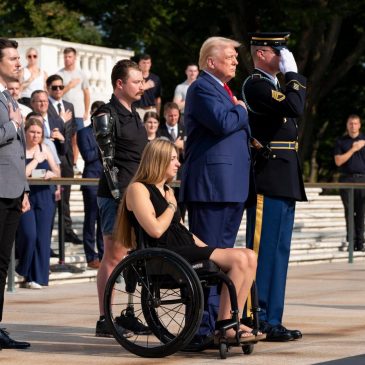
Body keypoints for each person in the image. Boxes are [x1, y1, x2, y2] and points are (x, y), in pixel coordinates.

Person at [115, 138, 262, 343]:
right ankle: (224, 325)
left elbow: (182, 229)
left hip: (184, 248)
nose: (178, 163)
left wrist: (210, 248)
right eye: (173, 159)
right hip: (165, 254)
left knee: (249, 256)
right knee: (239, 259)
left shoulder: (167, 191)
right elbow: (156, 230)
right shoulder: (138, 189)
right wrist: (172, 207)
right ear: (159, 160)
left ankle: (231, 321)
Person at [179, 36, 250, 349]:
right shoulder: (202, 87)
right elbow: (223, 122)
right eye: (230, 56)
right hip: (211, 187)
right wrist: (242, 110)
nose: (235, 61)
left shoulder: (223, 89)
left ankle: (222, 322)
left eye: (236, 56)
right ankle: (200, 327)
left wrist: (237, 107)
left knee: (224, 260)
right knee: (206, 261)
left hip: (229, 185)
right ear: (210, 61)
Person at [242, 32, 307, 342]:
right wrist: (294, 75)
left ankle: (273, 319)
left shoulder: (275, 86)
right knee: (263, 251)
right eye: (278, 50)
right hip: (268, 175)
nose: (283, 56)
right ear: (261, 54)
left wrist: (288, 78)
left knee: (279, 252)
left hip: (284, 175)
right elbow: (295, 107)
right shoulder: (256, 85)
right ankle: (256, 316)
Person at [93, 59, 148, 338]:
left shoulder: (134, 113)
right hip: (116, 195)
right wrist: (119, 196)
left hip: (138, 194)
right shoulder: (106, 112)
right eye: (136, 81)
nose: (142, 86)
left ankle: (128, 313)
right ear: (120, 84)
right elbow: (107, 160)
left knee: (136, 257)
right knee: (114, 257)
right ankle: (105, 318)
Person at [0, 37, 30, 350]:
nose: (18, 63)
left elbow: (18, 152)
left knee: (1, 265)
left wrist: (24, 189)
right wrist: (12, 125)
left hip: (11, 191)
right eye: (12, 58)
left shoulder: (8, 98)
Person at [16, 118, 59, 289]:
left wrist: (51, 174)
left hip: (44, 196)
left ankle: (38, 278)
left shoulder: (45, 148)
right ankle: (23, 268)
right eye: (32, 132)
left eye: (39, 133)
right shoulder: (18, 148)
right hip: (24, 196)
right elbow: (20, 173)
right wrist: (35, 160)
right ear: (25, 132)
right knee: (29, 234)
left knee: (42, 238)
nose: (35, 136)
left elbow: (57, 170)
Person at [46, 74, 81, 245]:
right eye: (54, 87)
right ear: (48, 88)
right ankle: (49, 237)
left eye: (61, 87)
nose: (58, 90)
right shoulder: (45, 106)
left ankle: (67, 230)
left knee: (65, 198)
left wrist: (74, 156)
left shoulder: (69, 106)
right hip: (51, 158)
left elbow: (72, 133)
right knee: (53, 198)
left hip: (66, 159)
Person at [77, 101, 104, 269]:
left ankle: (103, 254)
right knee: (90, 219)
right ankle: (90, 256)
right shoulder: (83, 132)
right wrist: (103, 145)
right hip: (91, 180)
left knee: (104, 222)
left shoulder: (110, 132)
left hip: (107, 180)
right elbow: (87, 155)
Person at [334, 114, 365, 252]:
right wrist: (353, 149)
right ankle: (351, 243)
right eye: (350, 123)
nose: (353, 126)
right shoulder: (341, 141)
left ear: (359, 125)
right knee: (349, 211)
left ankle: (360, 243)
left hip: (362, 180)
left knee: (361, 212)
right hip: (346, 179)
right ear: (347, 125)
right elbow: (338, 161)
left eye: (355, 123)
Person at [57, 47, 90, 173]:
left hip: (79, 112)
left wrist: (86, 111)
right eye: (65, 57)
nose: (67, 59)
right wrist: (69, 86)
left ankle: (75, 163)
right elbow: (57, 93)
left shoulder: (81, 74)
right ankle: (65, 163)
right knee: (65, 137)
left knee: (77, 139)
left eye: (69, 57)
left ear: (75, 58)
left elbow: (86, 93)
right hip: (65, 112)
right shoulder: (59, 74)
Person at [159, 102, 186, 219]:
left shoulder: (185, 129)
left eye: (176, 115)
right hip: (164, 174)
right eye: (170, 115)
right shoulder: (159, 130)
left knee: (181, 206)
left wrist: (184, 146)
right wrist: (174, 146)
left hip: (181, 173)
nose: (174, 118)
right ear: (165, 115)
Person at [133, 54, 162, 120]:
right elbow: (133, 93)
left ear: (150, 64)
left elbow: (158, 98)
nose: (146, 65)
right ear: (139, 64)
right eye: (144, 63)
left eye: (148, 63)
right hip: (137, 110)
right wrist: (146, 86)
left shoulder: (155, 79)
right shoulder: (135, 77)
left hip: (151, 110)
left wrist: (158, 113)